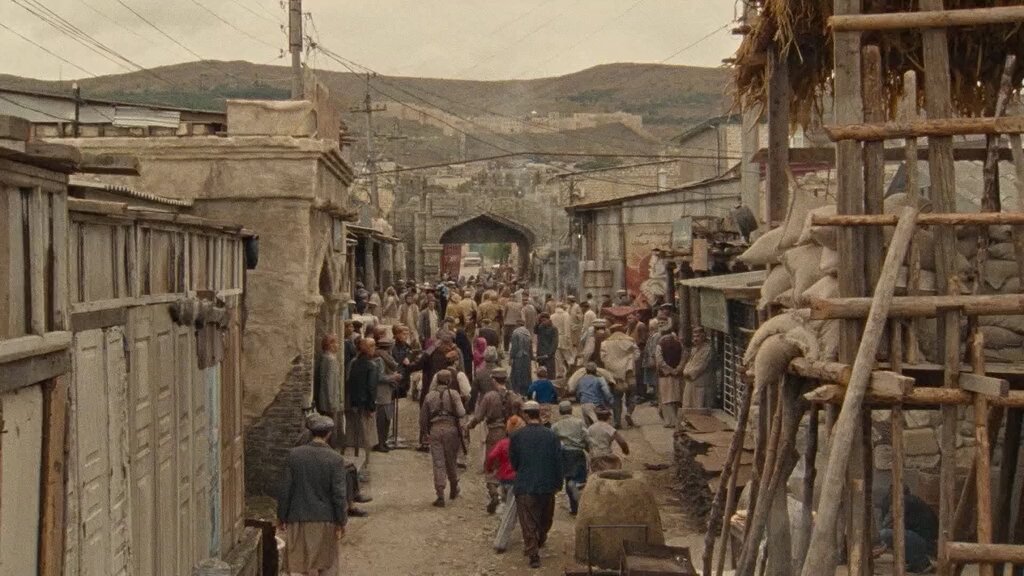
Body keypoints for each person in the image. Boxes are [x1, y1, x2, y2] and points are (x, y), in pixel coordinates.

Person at [277, 414, 349, 576]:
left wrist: (281, 516)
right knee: (327, 565)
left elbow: (285, 489)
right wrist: (341, 521)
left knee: (301, 565)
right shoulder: (336, 459)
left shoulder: (294, 455)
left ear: (310, 432)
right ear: (328, 434)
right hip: (325, 519)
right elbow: (339, 495)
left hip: (298, 517)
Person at [510, 401, 564, 569]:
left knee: (528, 521)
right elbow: (558, 462)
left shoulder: (516, 437)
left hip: (525, 484)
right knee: (544, 518)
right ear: (539, 414)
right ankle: (539, 539)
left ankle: (533, 553)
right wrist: (558, 482)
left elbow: (514, 463)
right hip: (547, 484)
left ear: (525, 415)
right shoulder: (551, 436)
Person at [469, 369, 523, 513]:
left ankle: (494, 494)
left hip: (494, 432)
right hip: (512, 434)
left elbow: (478, 417)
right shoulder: (514, 397)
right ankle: (508, 494)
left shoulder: (489, 397)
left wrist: (469, 425)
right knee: (509, 463)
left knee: (491, 463)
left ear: (493, 380)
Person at [419, 370, 466, 507]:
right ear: (449, 381)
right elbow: (461, 412)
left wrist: (425, 432)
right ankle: (454, 485)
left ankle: (440, 494)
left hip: (435, 430)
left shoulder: (429, 396)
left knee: (438, 461)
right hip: (451, 429)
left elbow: (423, 419)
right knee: (451, 459)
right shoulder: (454, 394)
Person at [876, 485, 939, 573]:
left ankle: (922, 563)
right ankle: (915, 562)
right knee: (891, 534)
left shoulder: (903, 502)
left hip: (925, 544)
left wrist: (877, 545)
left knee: (885, 534)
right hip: (928, 542)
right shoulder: (914, 501)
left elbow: (886, 526)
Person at [345, 338, 379, 480]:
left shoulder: (354, 362)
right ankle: (365, 465)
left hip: (354, 403)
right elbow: (371, 387)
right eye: (373, 346)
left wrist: (352, 402)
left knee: (355, 434)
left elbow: (349, 383)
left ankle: (357, 463)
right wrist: (371, 406)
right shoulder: (371, 365)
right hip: (365, 404)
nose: (374, 348)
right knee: (367, 436)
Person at [551, 401, 588, 515]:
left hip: (564, 454)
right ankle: (581, 508)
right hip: (577, 453)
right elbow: (586, 437)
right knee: (581, 480)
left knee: (568, 478)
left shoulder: (556, 426)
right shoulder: (579, 423)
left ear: (560, 412)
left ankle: (574, 508)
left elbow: (553, 442)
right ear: (571, 410)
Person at [485, 414, 527, 515]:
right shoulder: (525, 444)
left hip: (504, 478)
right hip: (519, 478)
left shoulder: (503, 443)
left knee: (506, 502)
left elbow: (491, 456)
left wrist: (489, 468)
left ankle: (501, 505)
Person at [601, 323, 640, 428]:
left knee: (616, 398)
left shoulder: (605, 343)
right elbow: (637, 355)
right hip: (629, 373)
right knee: (632, 396)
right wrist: (629, 362)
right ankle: (629, 413)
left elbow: (603, 358)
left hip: (614, 376)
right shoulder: (630, 341)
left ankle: (617, 421)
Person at [314, 334, 343, 447]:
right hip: (329, 400)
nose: (338, 345)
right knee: (330, 426)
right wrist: (331, 402)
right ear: (330, 345)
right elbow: (330, 382)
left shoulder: (324, 357)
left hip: (324, 398)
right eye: (336, 342)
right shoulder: (330, 360)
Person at [372, 338, 401, 453]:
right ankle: (380, 443)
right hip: (381, 393)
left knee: (387, 419)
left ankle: (383, 442)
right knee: (382, 420)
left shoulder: (386, 358)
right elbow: (379, 377)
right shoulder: (379, 359)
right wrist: (394, 377)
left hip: (388, 392)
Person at [655, 326, 687, 428]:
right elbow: (684, 357)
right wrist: (678, 369)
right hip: (678, 376)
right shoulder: (679, 343)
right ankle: (678, 420)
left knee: (666, 398)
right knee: (677, 398)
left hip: (665, 376)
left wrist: (669, 370)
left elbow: (660, 361)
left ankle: (669, 421)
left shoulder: (660, 344)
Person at [682, 327, 715, 408]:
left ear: (703, 337)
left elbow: (701, 365)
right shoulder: (694, 349)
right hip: (690, 382)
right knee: (688, 407)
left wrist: (688, 373)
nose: (695, 339)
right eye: (694, 336)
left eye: (698, 336)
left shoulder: (707, 349)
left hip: (701, 384)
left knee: (699, 407)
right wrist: (685, 371)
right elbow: (689, 363)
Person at [575, 362, 614, 426]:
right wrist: (610, 400)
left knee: (589, 427)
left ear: (586, 371)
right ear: (595, 370)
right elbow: (606, 392)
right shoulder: (600, 379)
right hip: (596, 405)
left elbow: (578, 394)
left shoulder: (581, 380)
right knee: (600, 424)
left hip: (583, 405)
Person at [509, 319, 534, 396]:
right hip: (527, 357)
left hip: (518, 357)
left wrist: (511, 357)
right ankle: (526, 392)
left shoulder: (515, 332)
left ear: (517, 325)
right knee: (526, 374)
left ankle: (517, 392)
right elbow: (530, 346)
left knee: (517, 374)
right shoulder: (527, 332)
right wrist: (532, 356)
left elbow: (514, 347)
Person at [550, 304, 573, 382]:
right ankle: (571, 371)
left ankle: (559, 373)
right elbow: (567, 328)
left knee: (557, 358)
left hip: (555, 338)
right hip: (564, 338)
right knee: (568, 356)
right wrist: (568, 339)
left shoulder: (552, 316)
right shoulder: (566, 315)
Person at [534, 312, 558, 380]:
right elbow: (535, 331)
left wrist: (549, 354)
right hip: (541, 354)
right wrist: (537, 322)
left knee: (550, 374)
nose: (543, 322)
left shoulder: (553, 329)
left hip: (548, 355)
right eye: (542, 321)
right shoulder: (540, 327)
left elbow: (555, 343)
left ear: (549, 319)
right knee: (541, 373)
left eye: (544, 320)